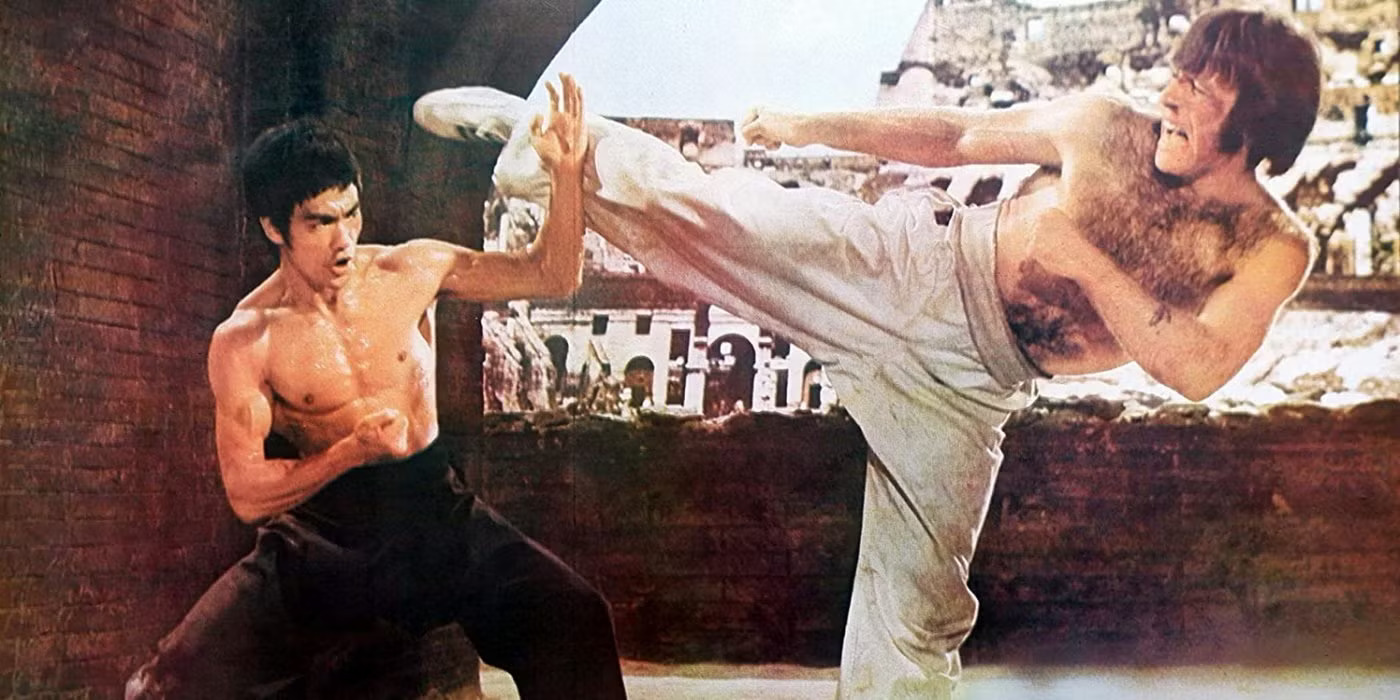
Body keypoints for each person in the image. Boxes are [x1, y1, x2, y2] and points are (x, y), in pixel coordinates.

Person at [414, 8, 1321, 698]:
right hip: (914, 265)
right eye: (1179, 74)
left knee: (919, 611)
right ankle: (532, 136)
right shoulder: (1105, 123)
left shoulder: (1270, 244)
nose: (1171, 94)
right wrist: (810, 126)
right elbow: (953, 136)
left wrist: (1084, 261)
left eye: (1202, 88)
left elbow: (1199, 367)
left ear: (1259, 120)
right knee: (715, 209)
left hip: (972, 387)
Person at [127, 75, 629, 699]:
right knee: (167, 684)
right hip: (324, 537)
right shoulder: (246, 338)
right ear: (274, 229)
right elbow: (248, 494)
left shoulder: (408, 269)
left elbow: (552, 274)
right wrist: (348, 452)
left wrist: (565, 172)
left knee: (574, 616)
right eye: (320, 223)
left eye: (351, 213)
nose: (344, 239)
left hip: (436, 512)